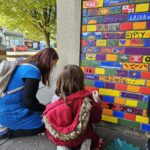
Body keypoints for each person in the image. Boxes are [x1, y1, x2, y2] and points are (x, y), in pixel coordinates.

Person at [0, 48, 59, 138]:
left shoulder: (25, 65)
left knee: (43, 115)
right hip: (10, 113)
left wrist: (42, 108)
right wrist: (47, 108)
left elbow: (29, 98)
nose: (53, 68)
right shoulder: (33, 72)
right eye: (53, 64)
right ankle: (7, 133)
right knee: (44, 125)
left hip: (4, 108)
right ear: (48, 61)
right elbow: (28, 102)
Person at [42, 65, 103, 150]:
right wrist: (97, 102)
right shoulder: (86, 99)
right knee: (89, 129)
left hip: (61, 136)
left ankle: (62, 146)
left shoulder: (55, 98)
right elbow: (96, 119)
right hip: (81, 135)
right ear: (81, 81)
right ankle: (85, 143)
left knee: (60, 136)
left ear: (60, 81)